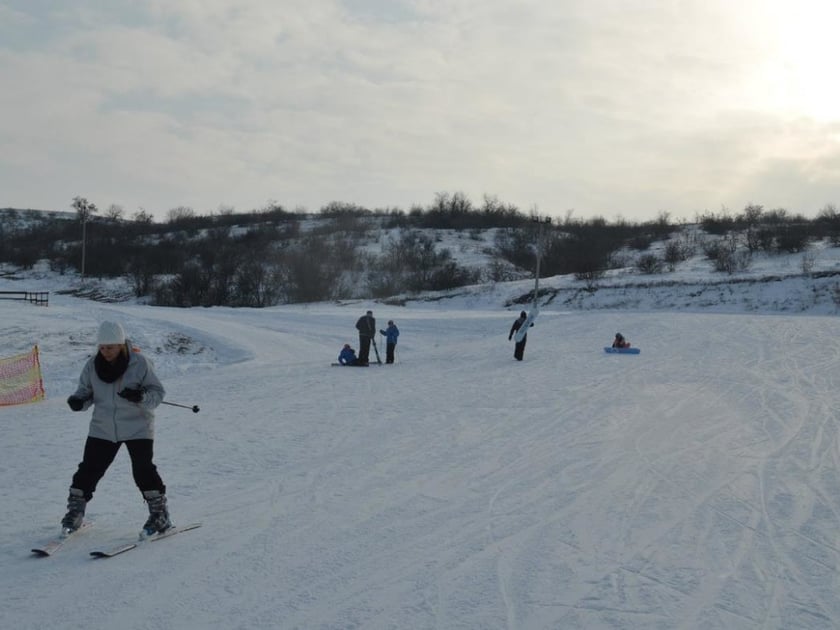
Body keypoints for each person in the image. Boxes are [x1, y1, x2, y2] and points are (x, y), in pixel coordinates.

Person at [62, 321, 172, 537]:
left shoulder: (140, 363)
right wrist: (78, 401)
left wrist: (141, 396)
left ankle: (160, 515)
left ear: (121, 345)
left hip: (138, 426)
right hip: (103, 427)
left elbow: (157, 393)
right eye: (102, 347)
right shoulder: (93, 365)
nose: (105, 352)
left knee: (143, 470)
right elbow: (85, 391)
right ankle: (75, 512)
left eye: (110, 347)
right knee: (88, 469)